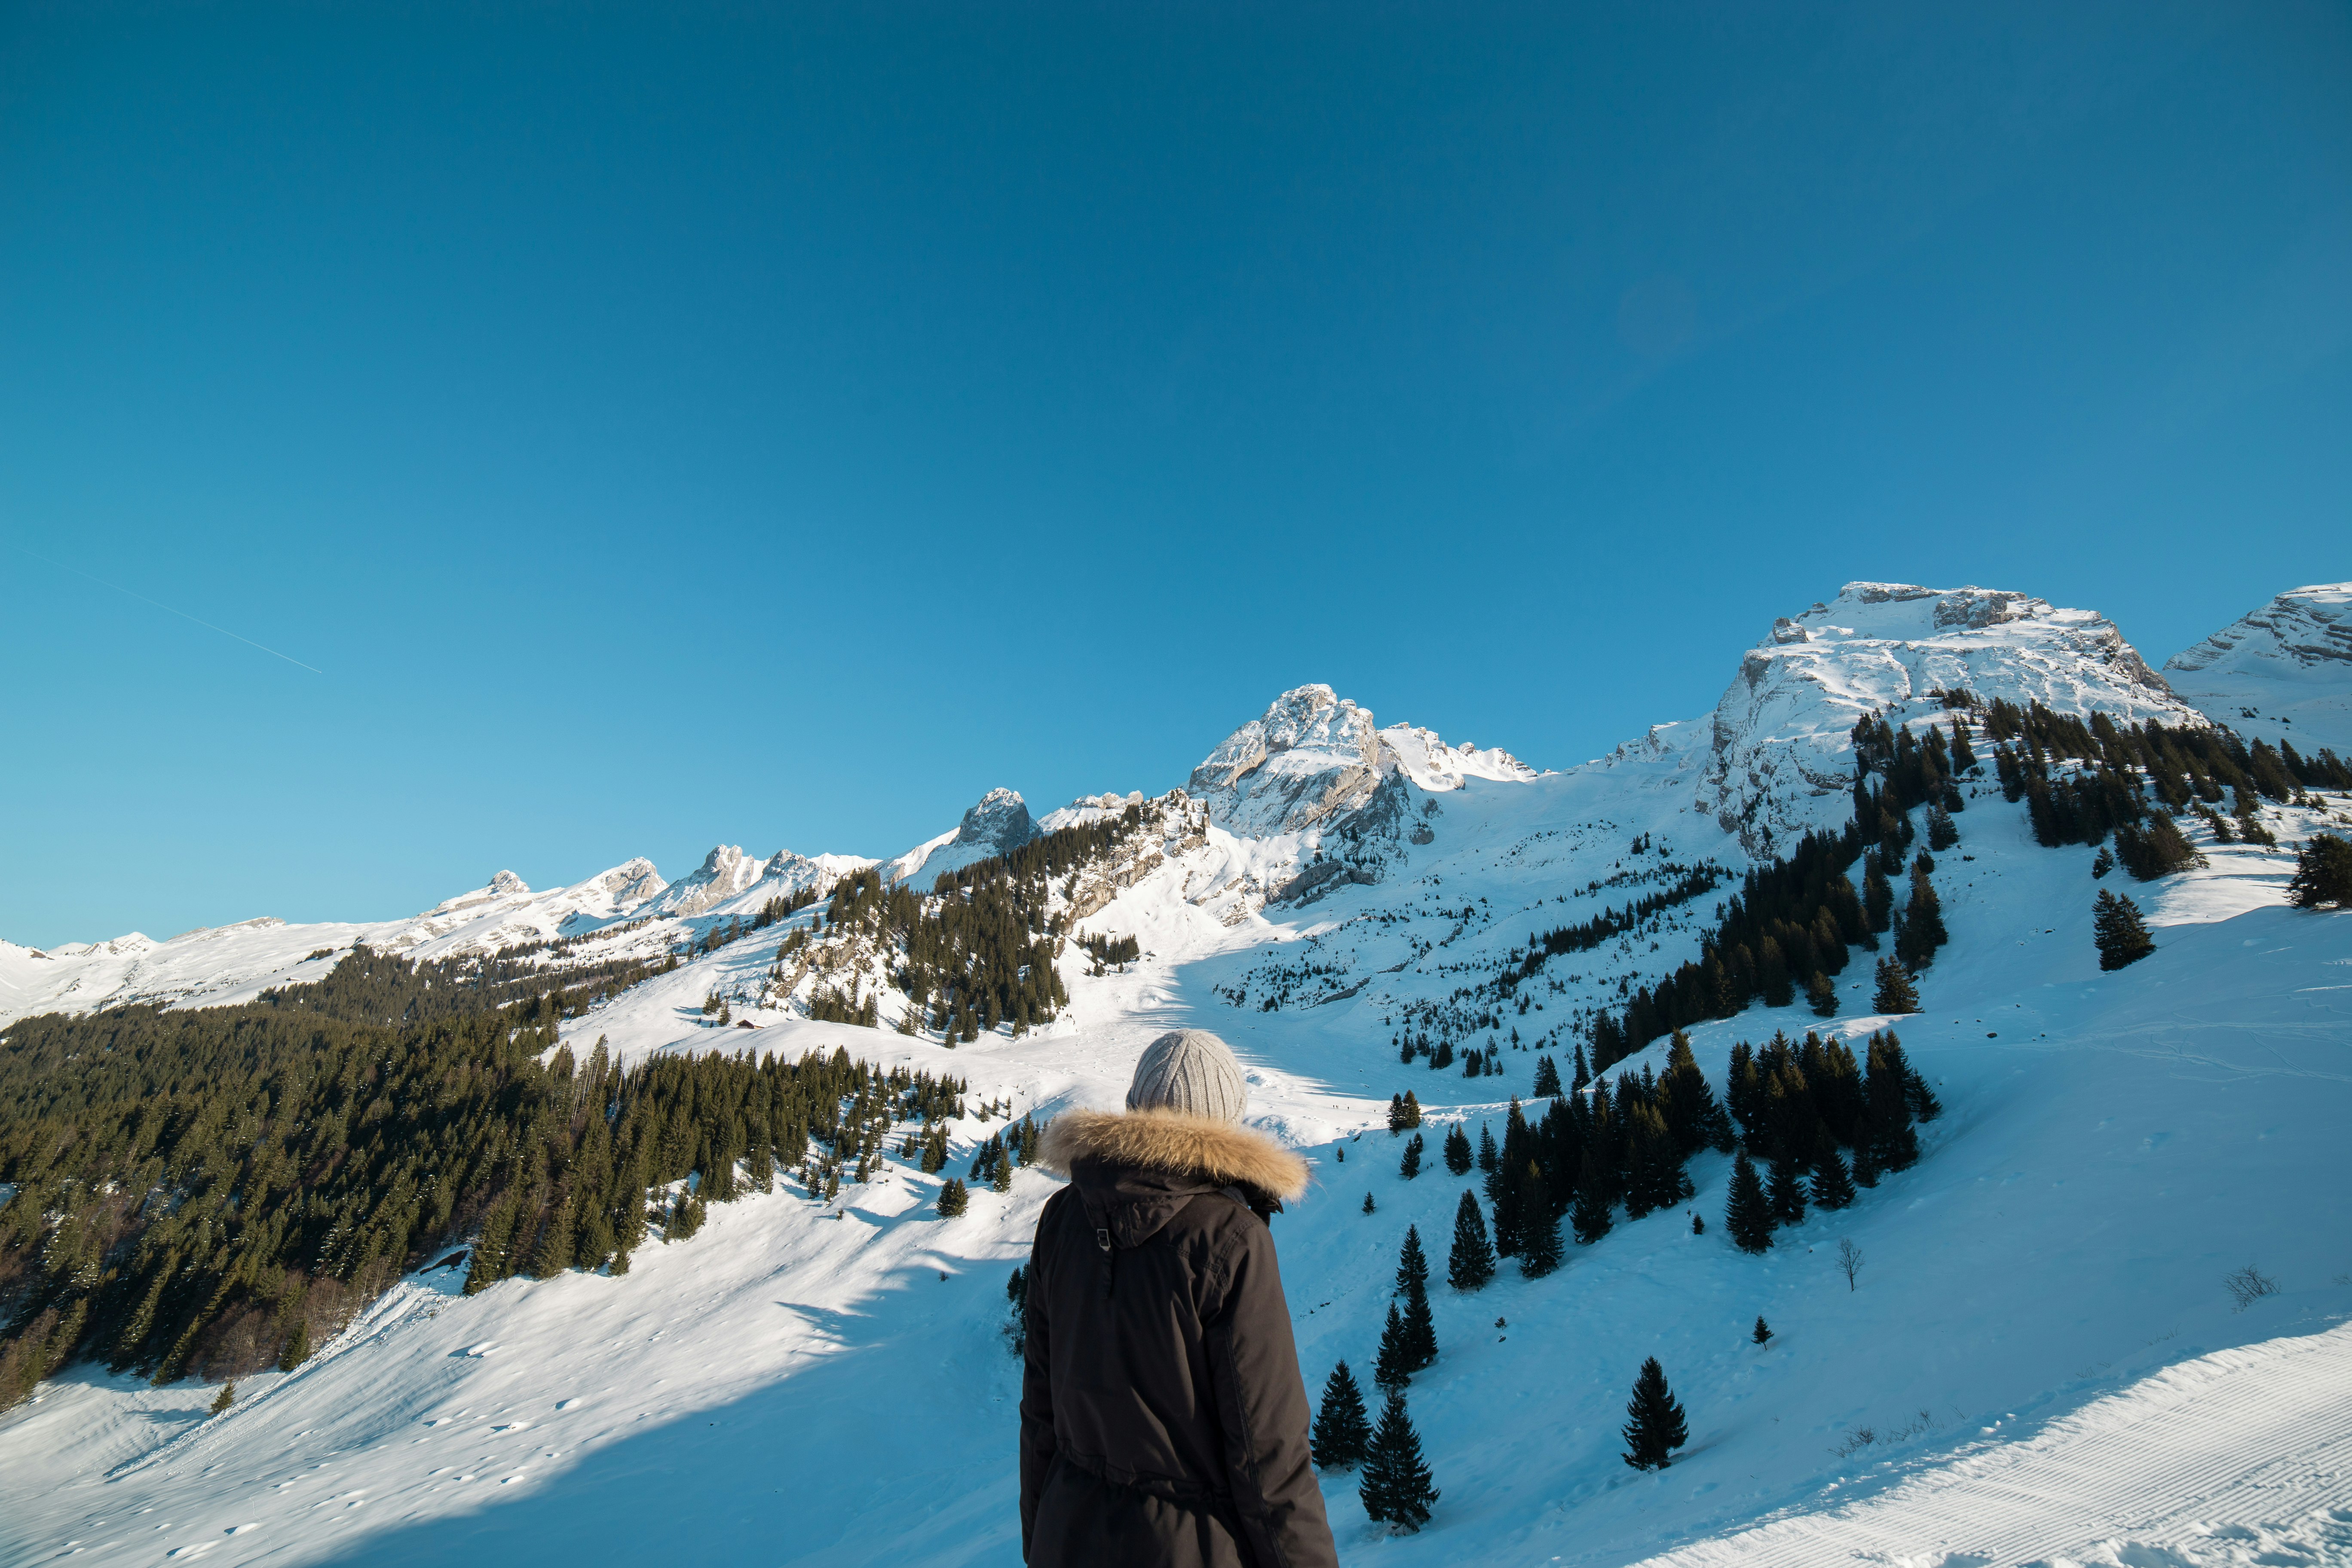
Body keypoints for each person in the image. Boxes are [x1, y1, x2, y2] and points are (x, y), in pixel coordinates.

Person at [1020, 1029, 1338, 1568]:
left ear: (1135, 1106)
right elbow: (1269, 1454)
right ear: (1225, 1127)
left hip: (1067, 1536)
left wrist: (1043, 1537)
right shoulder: (1230, 1238)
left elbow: (1041, 1412)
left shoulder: (1063, 1217)